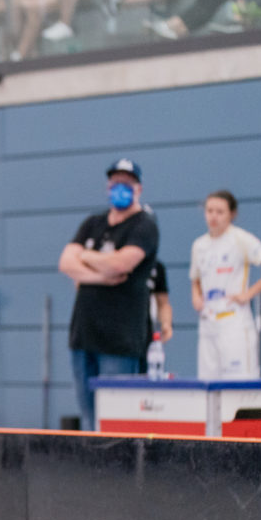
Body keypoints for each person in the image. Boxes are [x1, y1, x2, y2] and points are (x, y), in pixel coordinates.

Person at [59, 158, 160, 431]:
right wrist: (101, 275)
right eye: (115, 183)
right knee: (89, 416)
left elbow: (121, 264)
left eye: (126, 184)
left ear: (138, 188)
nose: (120, 189)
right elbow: (66, 262)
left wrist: (87, 256)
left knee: (117, 419)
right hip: (84, 333)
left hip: (120, 338)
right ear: (107, 186)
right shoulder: (93, 223)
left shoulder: (144, 225)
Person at [189, 189, 261, 380]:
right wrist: (196, 297)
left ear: (232, 214)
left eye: (220, 211)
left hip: (234, 323)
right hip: (208, 324)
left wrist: (248, 294)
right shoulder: (199, 245)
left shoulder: (241, 239)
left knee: (239, 384)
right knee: (207, 383)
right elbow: (196, 278)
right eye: (209, 211)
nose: (213, 216)